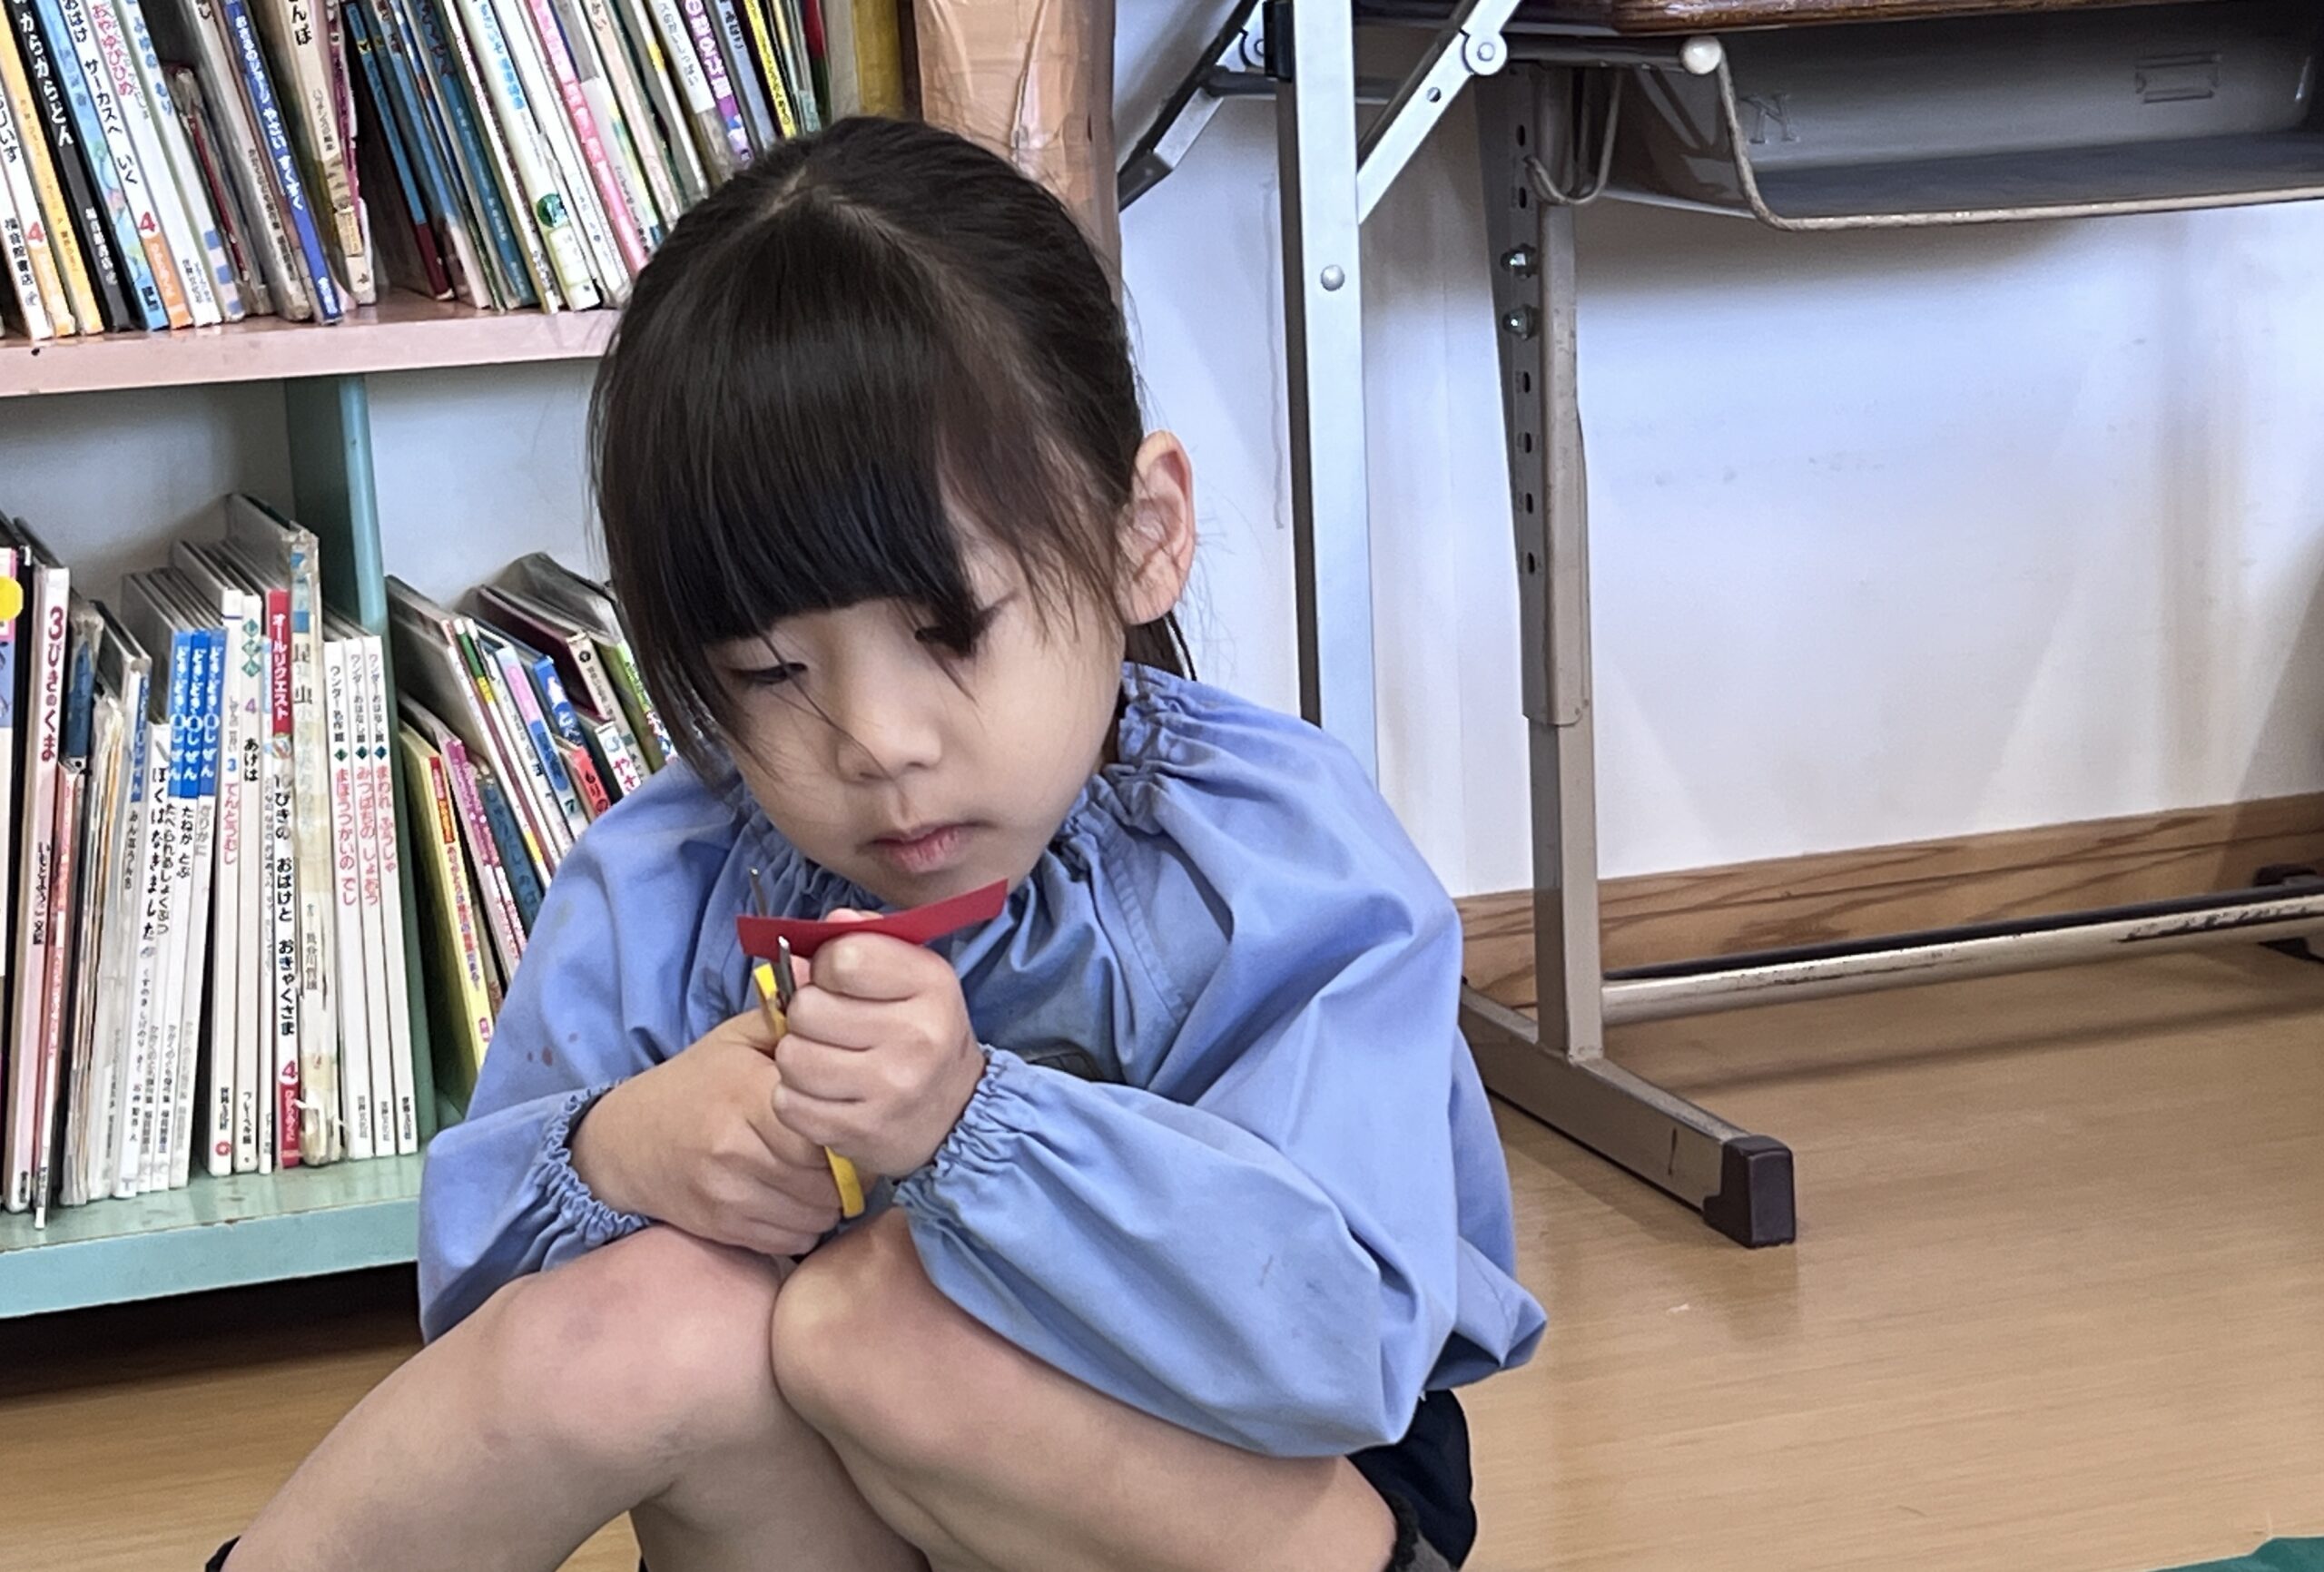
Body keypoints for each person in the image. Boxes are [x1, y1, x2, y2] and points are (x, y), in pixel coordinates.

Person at [215, 115, 1544, 1572]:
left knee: (876, 1326)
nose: (876, 741)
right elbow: (497, 1345)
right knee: (667, 1319)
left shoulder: (1271, 864)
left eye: (951, 630)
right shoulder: (667, 875)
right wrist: (621, 1156)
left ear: (1142, 536)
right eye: (771, 672)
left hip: (1263, 1479)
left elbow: (1341, 1345)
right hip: (852, 1506)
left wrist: (975, 1129)